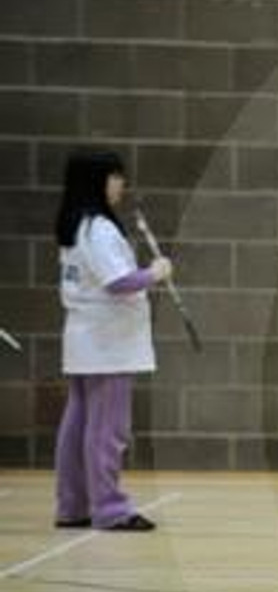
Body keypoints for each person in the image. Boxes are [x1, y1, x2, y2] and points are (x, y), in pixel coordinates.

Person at [54, 149, 172, 531]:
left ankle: (73, 505)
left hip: (86, 338)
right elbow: (119, 282)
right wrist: (155, 272)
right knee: (108, 430)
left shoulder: (76, 226)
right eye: (115, 176)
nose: (120, 184)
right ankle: (110, 508)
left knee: (79, 424)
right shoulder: (99, 229)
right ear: (97, 181)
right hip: (107, 342)